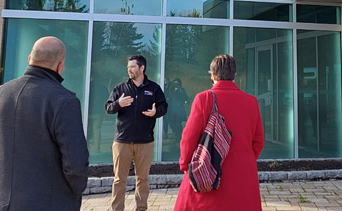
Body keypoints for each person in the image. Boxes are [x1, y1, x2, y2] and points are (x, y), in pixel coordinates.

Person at [0, 36, 89, 211]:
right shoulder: (64, 101)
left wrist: (10, 180)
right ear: (60, 65)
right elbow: (76, 165)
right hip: (50, 203)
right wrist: (72, 193)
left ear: (29, 59)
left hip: (4, 204)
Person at [174, 54, 265, 211]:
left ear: (213, 75)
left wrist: (186, 165)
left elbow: (188, 139)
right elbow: (258, 142)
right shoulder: (251, 102)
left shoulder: (204, 98)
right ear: (234, 75)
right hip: (243, 174)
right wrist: (243, 159)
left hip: (210, 172)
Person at [105, 55, 167, 211]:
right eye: (128, 67)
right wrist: (118, 103)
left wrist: (156, 112)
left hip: (145, 142)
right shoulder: (121, 88)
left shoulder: (154, 88)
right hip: (122, 141)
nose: (129, 69)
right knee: (119, 180)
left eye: (132, 66)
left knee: (143, 179)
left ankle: (141, 208)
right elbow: (108, 107)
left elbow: (163, 106)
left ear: (142, 68)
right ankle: (117, 209)